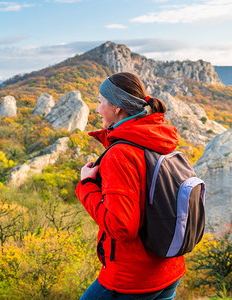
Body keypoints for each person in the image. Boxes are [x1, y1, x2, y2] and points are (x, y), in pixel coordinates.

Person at [75, 72, 185, 299]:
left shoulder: (121, 154)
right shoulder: (158, 138)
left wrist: (86, 184)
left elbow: (122, 227)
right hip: (170, 270)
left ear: (116, 107)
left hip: (131, 280)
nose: (96, 109)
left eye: (99, 102)